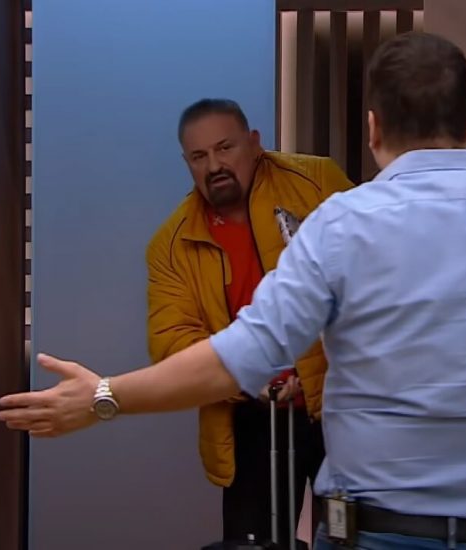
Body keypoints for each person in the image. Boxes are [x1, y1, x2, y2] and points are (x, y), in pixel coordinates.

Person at [0, 32, 466, 549]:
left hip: (369, 529)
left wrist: (104, 398)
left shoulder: (336, 224)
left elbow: (237, 359)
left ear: (372, 128)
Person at [149, 98, 354, 547]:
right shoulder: (172, 244)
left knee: (348, 537)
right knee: (253, 542)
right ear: (187, 163)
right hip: (249, 416)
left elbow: (370, 272)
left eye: (225, 148)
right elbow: (171, 341)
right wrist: (246, 377)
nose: (214, 166)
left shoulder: (317, 181)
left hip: (339, 405)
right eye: (199, 156)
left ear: (255, 143)